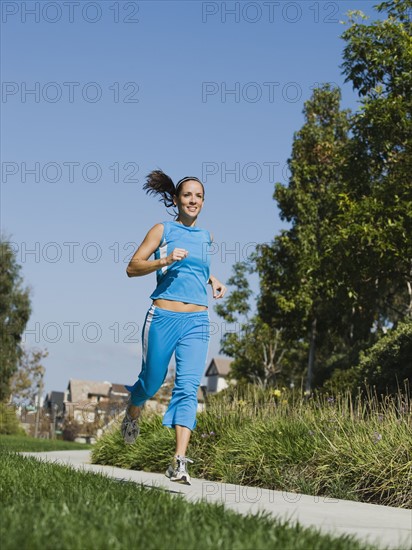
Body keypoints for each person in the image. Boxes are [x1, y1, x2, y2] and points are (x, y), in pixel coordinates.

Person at [122, 169, 226, 485]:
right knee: (151, 382)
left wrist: (212, 278)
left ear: (203, 202)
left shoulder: (206, 236)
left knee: (187, 386)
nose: (192, 200)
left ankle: (179, 461)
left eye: (198, 196)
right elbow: (132, 267)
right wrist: (163, 260)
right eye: (187, 195)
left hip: (197, 320)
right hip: (163, 317)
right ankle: (133, 410)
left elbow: (197, 267)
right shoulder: (162, 230)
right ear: (176, 200)